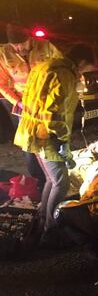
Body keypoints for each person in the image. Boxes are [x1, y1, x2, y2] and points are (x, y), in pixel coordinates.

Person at [13, 43, 94, 245]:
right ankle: (51, 229)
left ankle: (42, 215)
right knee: (61, 182)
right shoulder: (64, 74)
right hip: (46, 134)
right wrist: (60, 140)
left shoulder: (45, 65)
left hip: (33, 130)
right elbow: (54, 111)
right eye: (84, 69)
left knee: (51, 178)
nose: (82, 74)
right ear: (81, 62)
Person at [0, 22, 62, 191]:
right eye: (15, 45)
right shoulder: (3, 53)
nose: (19, 48)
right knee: (29, 143)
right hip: (22, 103)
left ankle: (54, 175)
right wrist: (18, 102)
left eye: (23, 44)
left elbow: (61, 66)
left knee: (50, 136)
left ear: (31, 39)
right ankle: (38, 180)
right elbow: (2, 84)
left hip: (47, 102)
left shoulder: (46, 46)